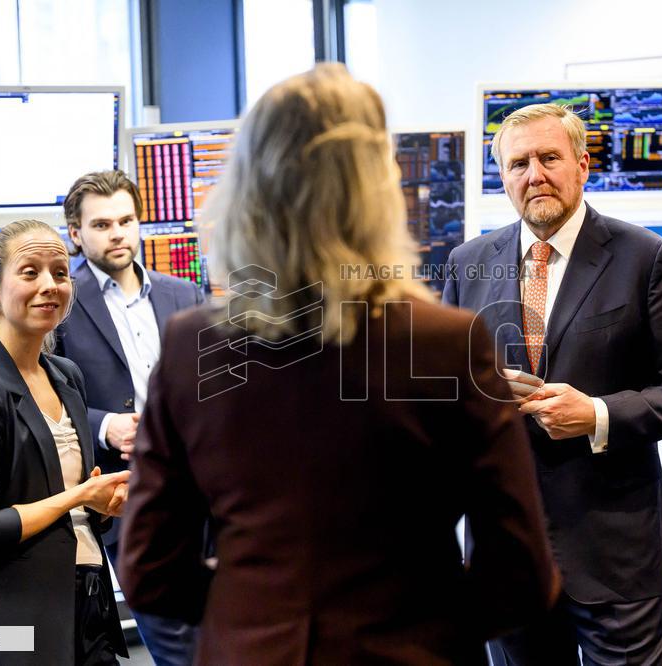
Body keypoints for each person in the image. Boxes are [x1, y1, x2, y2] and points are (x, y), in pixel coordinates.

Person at [117, 62, 560, 666]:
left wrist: (253, 606)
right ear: (377, 191)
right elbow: (521, 574)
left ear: (245, 190)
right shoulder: (446, 343)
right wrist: (420, 622)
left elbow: (149, 571)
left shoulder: (193, 344)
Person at [443, 103, 662, 665]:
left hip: (615, 554)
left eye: (549, 158)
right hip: (510, 554)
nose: (535, 175)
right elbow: (446, 394)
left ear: (583, 165)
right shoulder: (467, 263)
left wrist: (597, 414)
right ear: (503, 177)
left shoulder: (645, 257)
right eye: (519, 163)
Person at [0, 219, 130, 665]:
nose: (49, 286)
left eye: (60, 273)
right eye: (30, 272)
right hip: (12, 626)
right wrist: (79, 496)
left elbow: (72, 504)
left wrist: (100, 505)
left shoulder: (66, 376)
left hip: (86, 609)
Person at [56, 169, 204, 665]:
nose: (117, 233)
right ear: (76, 234)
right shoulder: (61, 302)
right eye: (101, 225)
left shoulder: (184, 295)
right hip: (121, 494)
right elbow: (43, 398)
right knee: (173, 641)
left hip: (199, 489)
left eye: (126, 220)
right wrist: (104, 424)